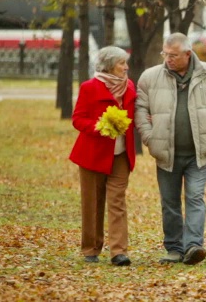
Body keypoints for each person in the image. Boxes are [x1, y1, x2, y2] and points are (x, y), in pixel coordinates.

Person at [135, 33, 206, 265]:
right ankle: (174, 248)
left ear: (188, 54)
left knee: (195, 198)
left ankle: (193, 247)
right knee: (170, 202)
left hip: (199, 153)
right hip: (166, 152)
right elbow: (140, 108)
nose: (168, 59)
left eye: (174, 55)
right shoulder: (150, 77)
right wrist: (149, 137)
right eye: (165, 54)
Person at [69, 46, 136, 266]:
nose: (126, 67)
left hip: (121, 156)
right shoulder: (89, 87)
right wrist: (100, 126)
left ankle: (119, 252)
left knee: (117, 202)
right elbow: (78, 119)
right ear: (109, 66)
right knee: (92, 202)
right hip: (92, 155)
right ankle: (91, 248)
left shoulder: (129, 87)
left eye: (126, 63)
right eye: (121, 63)